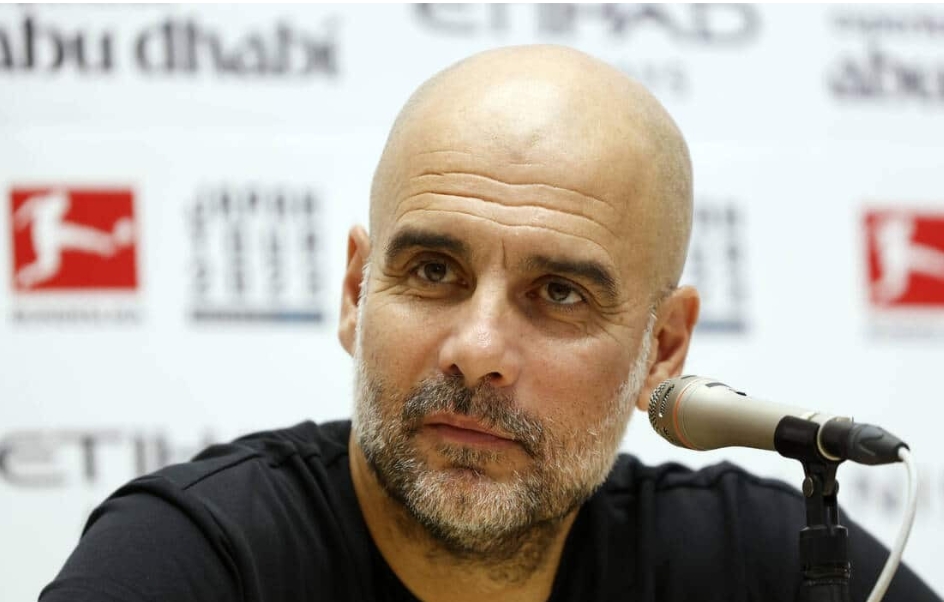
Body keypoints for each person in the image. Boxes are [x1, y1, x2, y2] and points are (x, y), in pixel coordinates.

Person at [40, 44, 939, 602]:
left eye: (560, 293)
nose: (477, 352)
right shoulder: (196, 557)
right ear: (355, 294)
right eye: (434, 271)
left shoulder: (769, 562)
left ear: (661, 348)